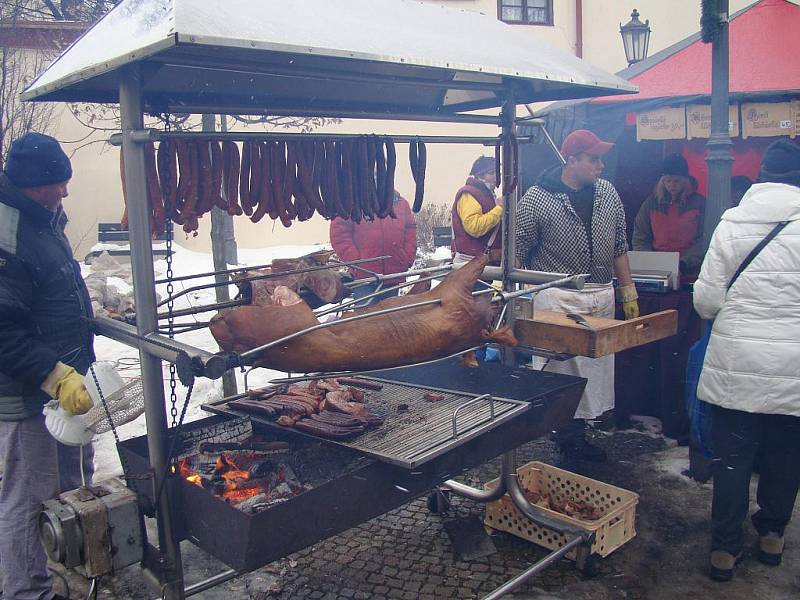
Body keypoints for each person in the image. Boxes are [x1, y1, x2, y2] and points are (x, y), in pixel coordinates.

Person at [693, 139, 800, 582]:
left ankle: (724, 550)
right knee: (786, 456)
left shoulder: (732, 223)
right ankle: (772, 535)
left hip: (736, 367)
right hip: (794, 368)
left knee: (733, 459)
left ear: (763, 175)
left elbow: (705, 302)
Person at [0, 132, 95, 600]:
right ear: (31, 183)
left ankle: (76, 567)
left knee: (75, 483)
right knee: (28, 498)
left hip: (67, 386)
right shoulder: (6, 233)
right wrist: (52, 375)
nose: (65, 191)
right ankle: (26, 592)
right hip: (27, 394)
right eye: (56, 183)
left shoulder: (44, 218)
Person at [515, 129, 638, 462]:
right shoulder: (535, 200)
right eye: (594, 158)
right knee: (562, 374)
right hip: (558, 298)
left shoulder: (608, 193)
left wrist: (627, 289)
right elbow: (516, 257)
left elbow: (619, 246)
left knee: (593, 373)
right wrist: (519, 300)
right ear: (572, 160)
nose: (601, 165)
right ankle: (566, 439)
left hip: (600, 294)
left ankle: (580, 435)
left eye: (601, 159)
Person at [330, 190, 417, 306]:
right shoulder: (351, 202)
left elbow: (410, 230)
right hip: (364, 278)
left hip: (392, 275)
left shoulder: (400, 203)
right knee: (366, 320)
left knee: (390, 319)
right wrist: (357, 261)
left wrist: (406, 258)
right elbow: (339, 234)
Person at [633, 154, 706, 277]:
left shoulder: (699, 203)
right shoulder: (651, 203)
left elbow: (704, 239)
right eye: (667, 181)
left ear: (685, 181)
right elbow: (640, 237)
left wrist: (685, 263)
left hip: (690, 269)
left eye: (676, 181)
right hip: (656, 269)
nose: (671, 185)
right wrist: (647, 261)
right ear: (662, 182)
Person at [451, 156, 503, 266]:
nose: (496, 177)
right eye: (492, 173)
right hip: (471, 264)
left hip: (482, 262)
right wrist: (499, 209)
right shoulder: (469, 194)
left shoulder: (485, 194)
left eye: (497, 173)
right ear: (480, 176)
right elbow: (474, 227)